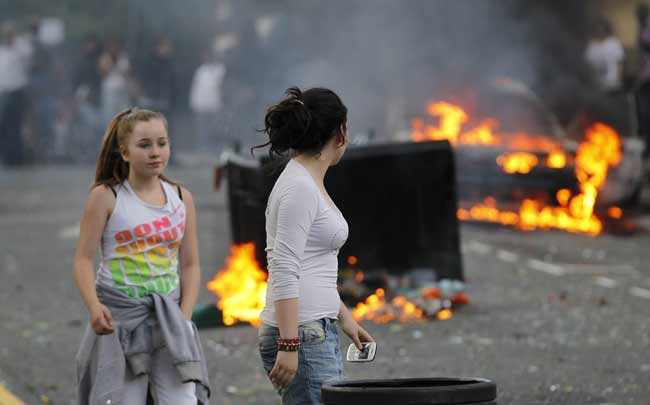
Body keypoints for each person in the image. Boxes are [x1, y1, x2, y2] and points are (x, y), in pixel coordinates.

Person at [74, 108, 210, 404]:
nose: (155, 152)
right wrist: (95, 308)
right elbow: (83, 260)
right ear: (124, 152)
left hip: (170, 323)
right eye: (144, 145)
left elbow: (191, 264)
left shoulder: (181, 197)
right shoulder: (106, 196)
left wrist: (184, 319)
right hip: (121, 324)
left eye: (162, 143)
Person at [254, 87, 375, 404]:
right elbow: (284, 266)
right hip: (304, 333)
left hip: (312, 328)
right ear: (340, 133)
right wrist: (289, 343)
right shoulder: (300, 187)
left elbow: (314, 266)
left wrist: (346, 320)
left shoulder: (305, 181)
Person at [189, 50, 226, 151]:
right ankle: (202, 147)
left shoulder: (220, 69)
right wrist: (193, 102)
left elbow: (223, 86)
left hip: (215, 103)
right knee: (202, 128)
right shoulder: (201, 70)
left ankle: (214, 147)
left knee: (215, 127)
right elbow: (196, 87)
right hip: (201, 104)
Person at [584, 17, 625, 93]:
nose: (600, 30)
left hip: (613, 86)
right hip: (597, 87)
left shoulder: (614, 43)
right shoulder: (591, 46)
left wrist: (618, 80)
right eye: (597, 28)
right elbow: (587, 66)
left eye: (602, 28)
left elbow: (620, 64)